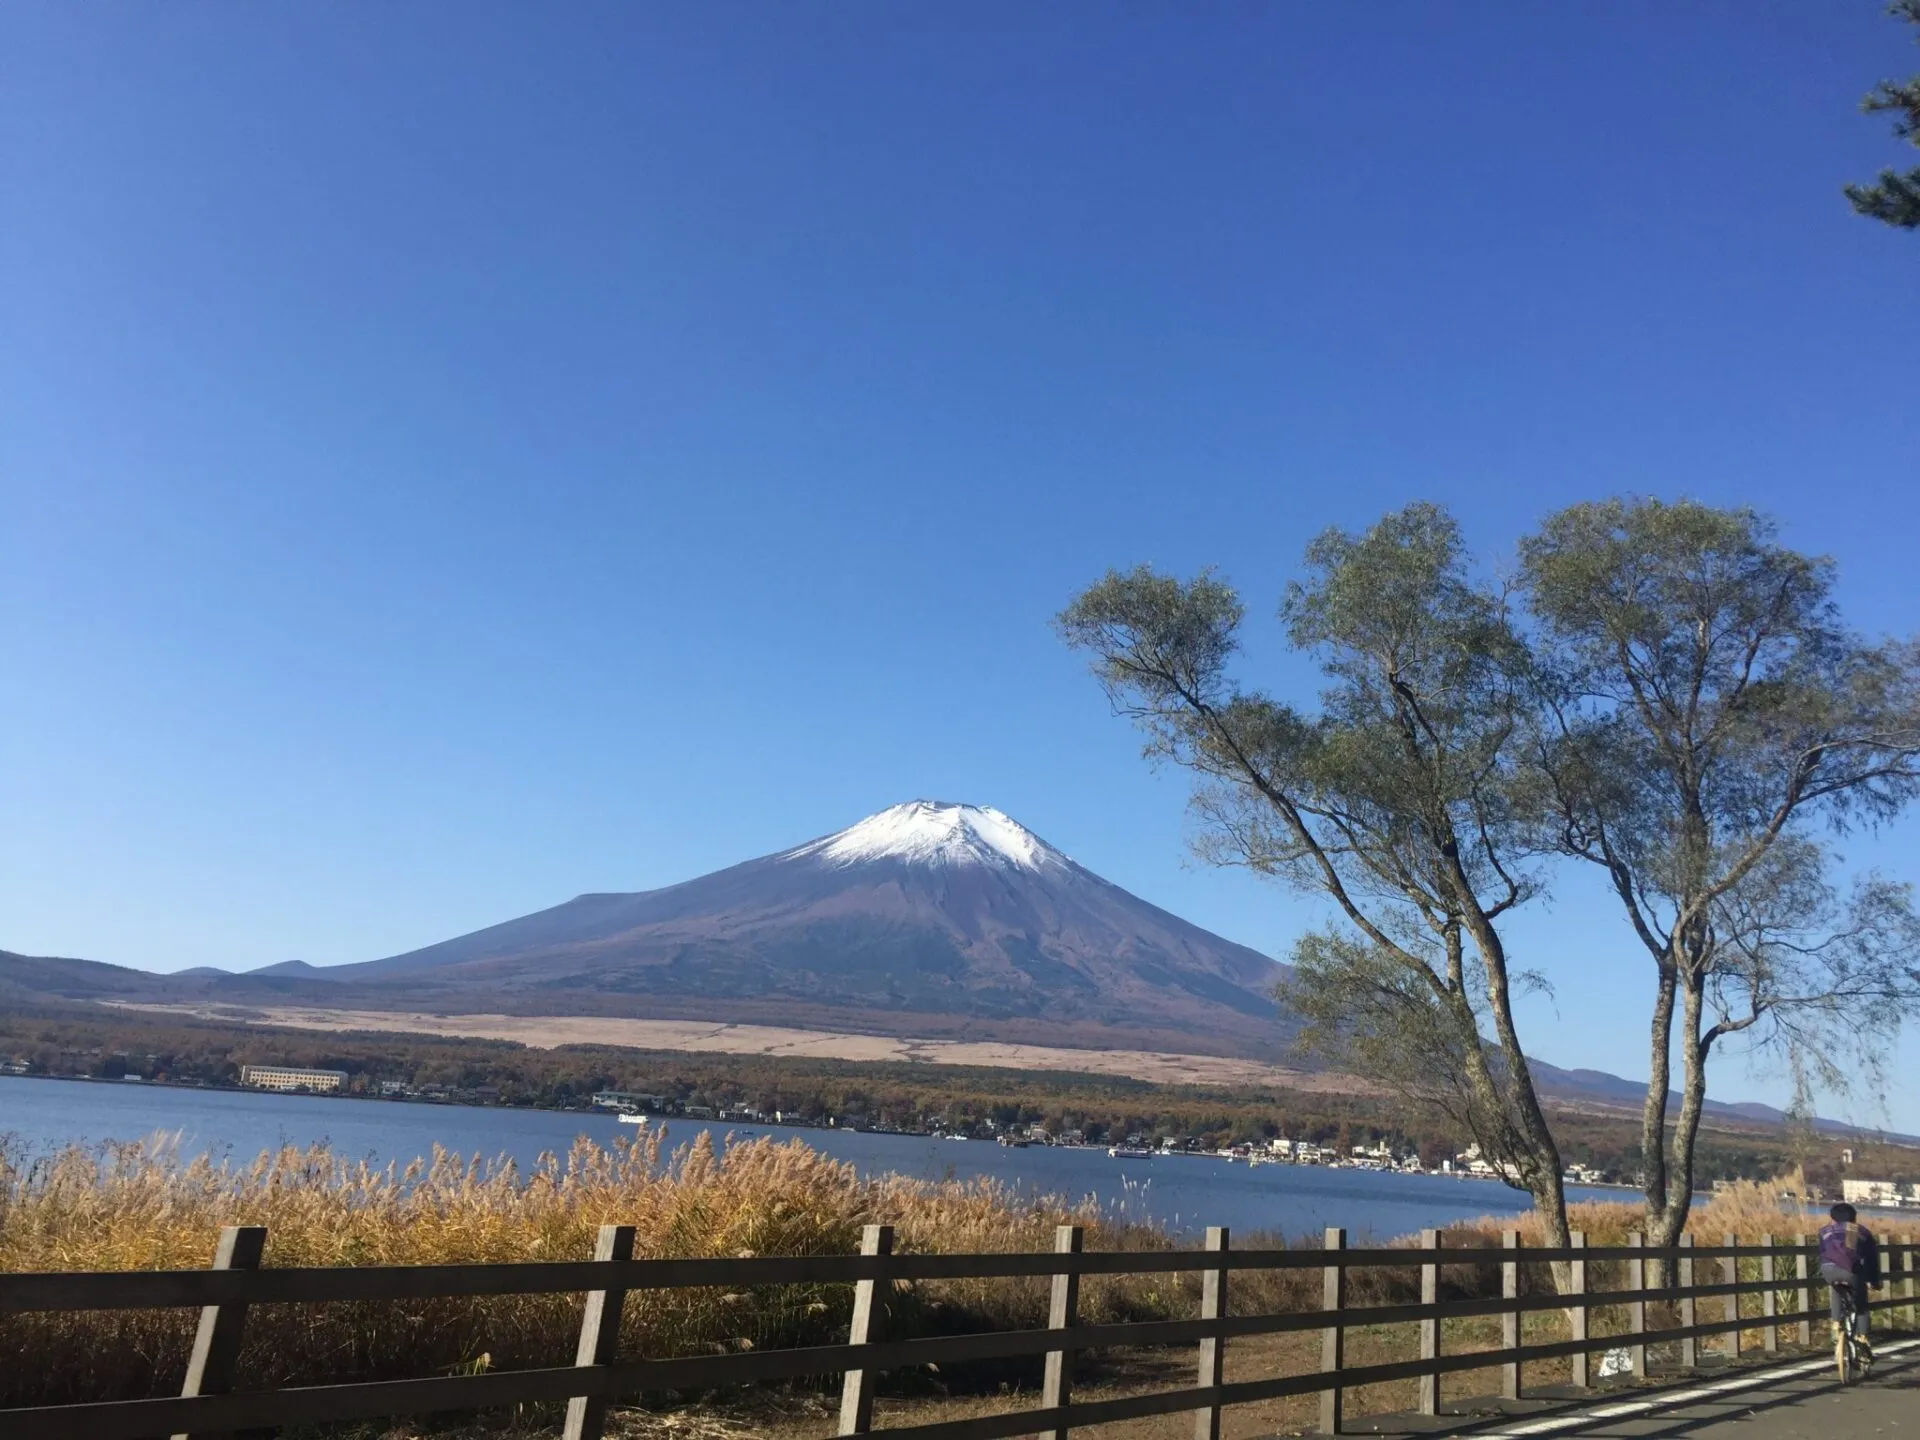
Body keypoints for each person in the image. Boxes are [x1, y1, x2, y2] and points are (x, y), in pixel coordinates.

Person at [1817, 1202, 1882, 1353]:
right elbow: (1857, 1257)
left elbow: (1823, 1252)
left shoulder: (1824, 1231)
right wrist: (1873, 1281)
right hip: (1849, 1271)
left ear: (1832, 1218)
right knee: (1861, 1303)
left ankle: (1835, 1323)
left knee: (1836, 1288)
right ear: (1854, 1218)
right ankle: (1863, 1339)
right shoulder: (1856, 1230)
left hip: (1827, 1269)